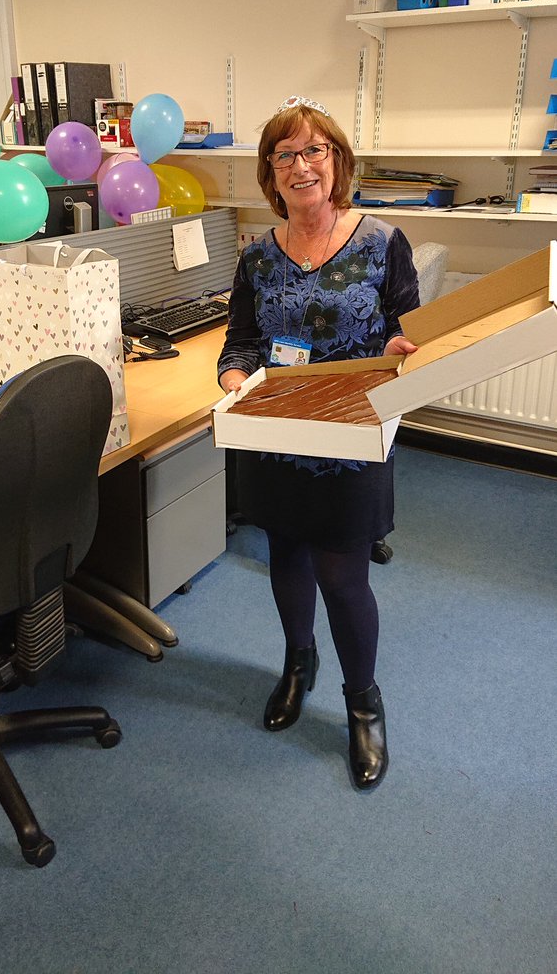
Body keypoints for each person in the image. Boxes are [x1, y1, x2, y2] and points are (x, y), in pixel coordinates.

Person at [217, 95, 419, 790]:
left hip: (352, 431)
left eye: (314, 151)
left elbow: (409, 329)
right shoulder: (255, 257)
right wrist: (235, 378)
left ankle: (362, 704)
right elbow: (240, 341)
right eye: (285, 155)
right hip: (276, 428)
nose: (301, 165)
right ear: (269, 177)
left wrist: (400, 345)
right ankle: (297, 661)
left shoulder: (381, 241)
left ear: (337, 162)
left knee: (343, 575)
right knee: (286, 555)